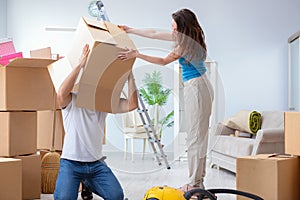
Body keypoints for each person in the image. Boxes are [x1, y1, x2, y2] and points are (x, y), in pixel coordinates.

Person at [118, 8, 214, 192]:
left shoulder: (185, 44)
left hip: (196, 87)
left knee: (194, 137)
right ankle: (198, 182)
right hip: (200, 85)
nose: (171, 30)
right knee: (199, 136)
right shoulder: (190, 37)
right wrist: (131, 29)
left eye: (174, 27)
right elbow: (154, 34)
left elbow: (162, 61)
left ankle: (194, 184)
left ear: (182, 27)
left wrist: (136, 55)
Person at [54, 44, 138, 200]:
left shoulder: (104, 102)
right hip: (71, 163)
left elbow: (132, 104)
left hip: (95, 164)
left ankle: (87, 182)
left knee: (116, 196)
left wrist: (129, 74)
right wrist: (80, 65)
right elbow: (61, 93)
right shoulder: (72, 100)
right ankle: (84, 182)